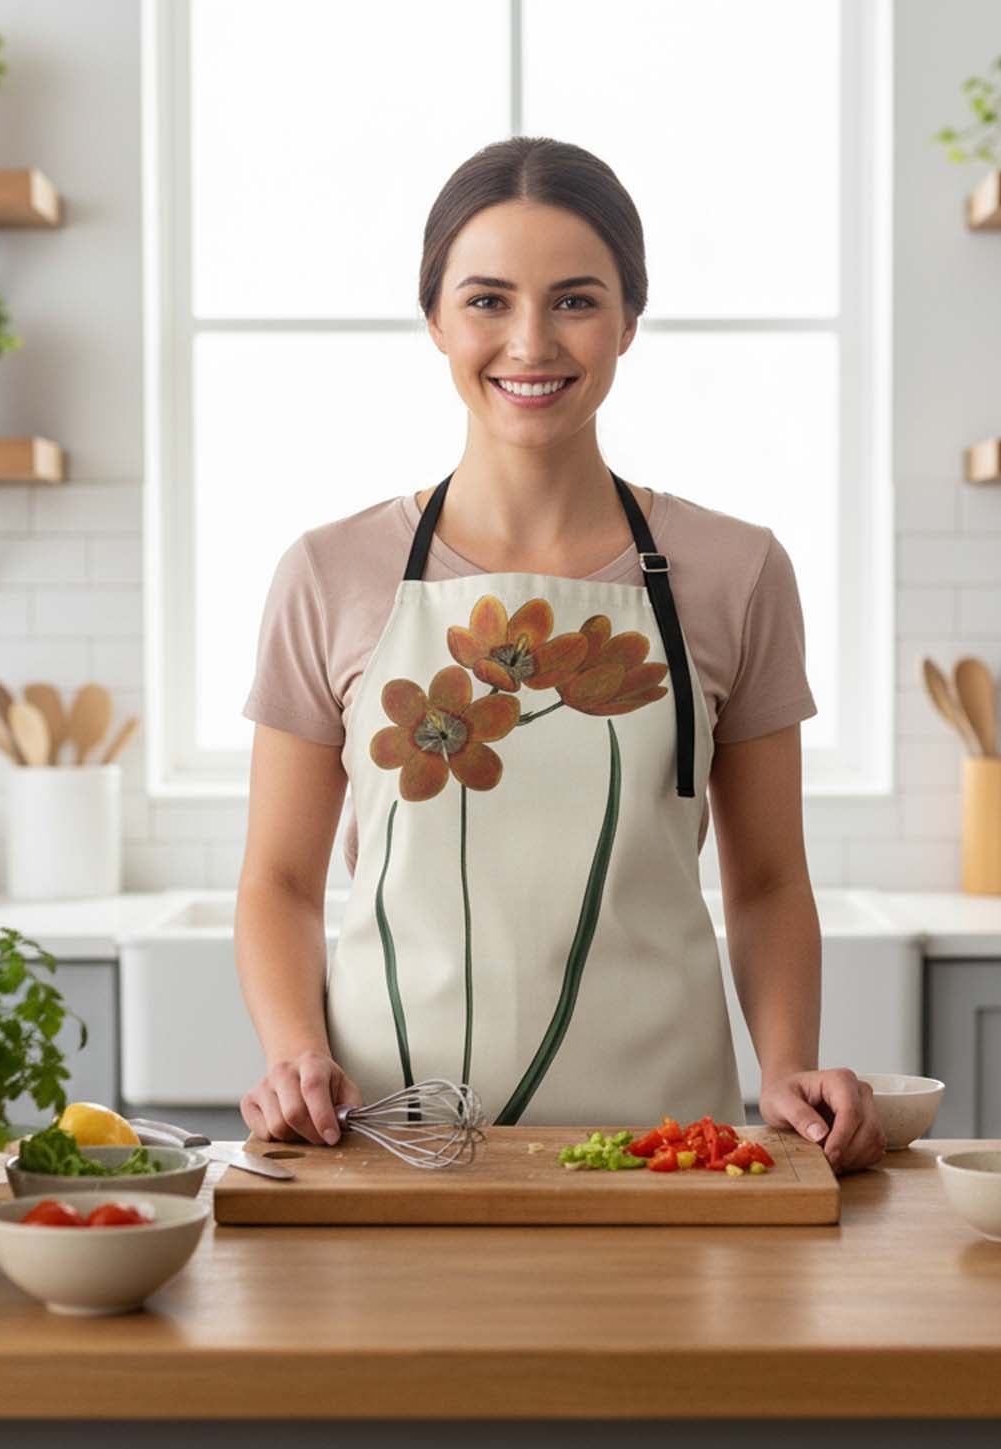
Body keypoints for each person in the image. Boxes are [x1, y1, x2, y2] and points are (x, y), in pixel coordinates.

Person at [235, 135, 885, 1174]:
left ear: (630, 318)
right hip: (392, 1143)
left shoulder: (737, 570)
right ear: (436, 320)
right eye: (488, 301)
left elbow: (767, 880)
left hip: (668, 1151)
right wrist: (295, 1053)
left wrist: (786, 1069)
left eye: (576, 301)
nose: (530, 343)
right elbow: (278, 880)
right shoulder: (329, 572)